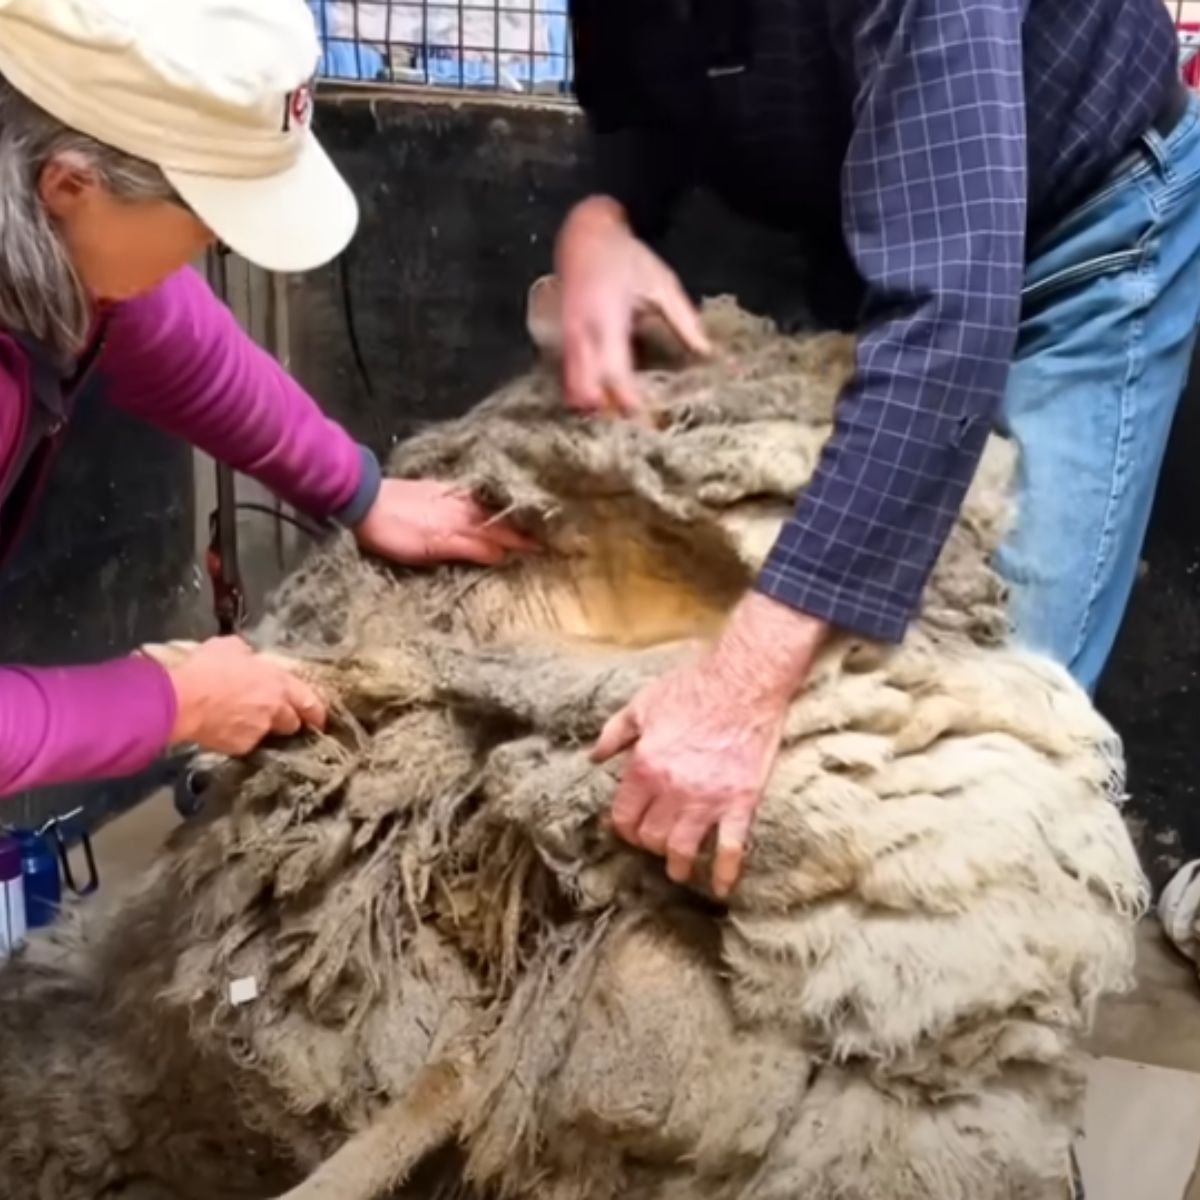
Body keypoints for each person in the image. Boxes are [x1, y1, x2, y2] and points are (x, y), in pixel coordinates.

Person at [557, 0, 1200, 895]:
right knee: (820, 673)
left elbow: (949, 319)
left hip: (1075, 224)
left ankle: (975, 976)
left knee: (991, 713)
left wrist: (740, 688)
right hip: (886, 224)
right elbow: (640, 92)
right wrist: (605, 215)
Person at [0, 0, 529, 798]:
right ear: (68, 183)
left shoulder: (60, 233)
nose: (220, 245)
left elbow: (162, 325)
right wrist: (169, 703)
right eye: (210, 217)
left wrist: (354, 488)